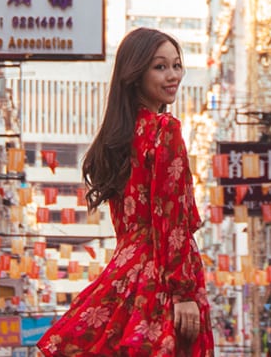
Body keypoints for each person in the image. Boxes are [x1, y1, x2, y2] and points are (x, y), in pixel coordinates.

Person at [37, 28, 214, 356]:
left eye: (176, 65)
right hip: (162, 276)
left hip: (125, 273)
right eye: (160, 67)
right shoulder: (165, 131)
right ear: (135, 75)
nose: (173, 75)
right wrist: (183, 292)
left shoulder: (115, 139)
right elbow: (170, 220)